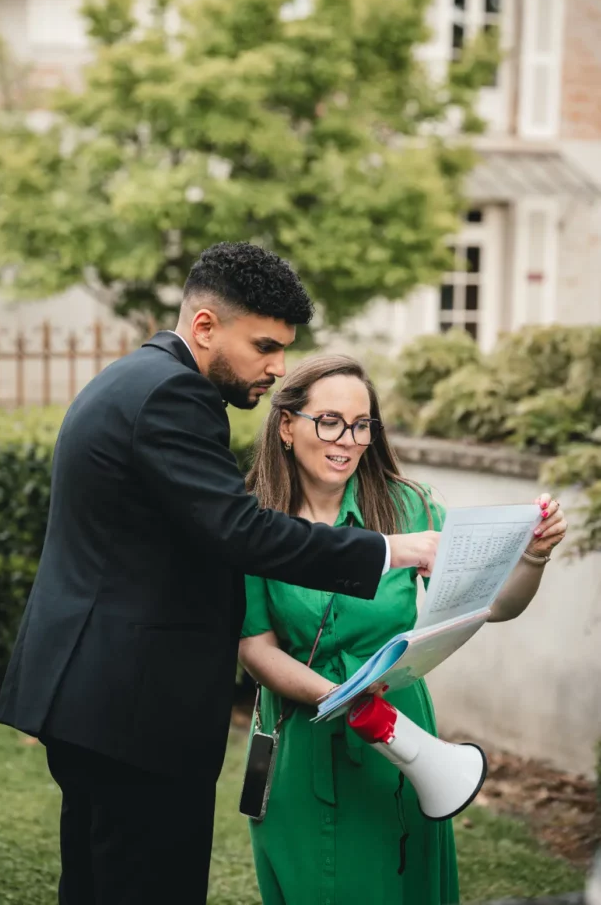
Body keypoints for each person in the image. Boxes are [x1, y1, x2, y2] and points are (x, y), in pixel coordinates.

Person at [0, 243, 441, 905]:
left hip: (92, 700)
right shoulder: (174, 394)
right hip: (132, 714)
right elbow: (241, 530)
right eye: (263, 346)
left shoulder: (129, 379)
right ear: (204, 327)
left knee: (95, 885)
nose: (277, 368)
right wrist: (392, 551)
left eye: (284, 348)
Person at [239, 353, 568, 905]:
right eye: (329, 421)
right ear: (287, 425)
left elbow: (494, 606)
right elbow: (255, 647)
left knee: (402, 881)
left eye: (361, 424)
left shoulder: (407, 506)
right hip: (303, 732)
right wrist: (341, 696)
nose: (347, 438)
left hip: (401, 732)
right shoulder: (253, 521)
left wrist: (533, 558)